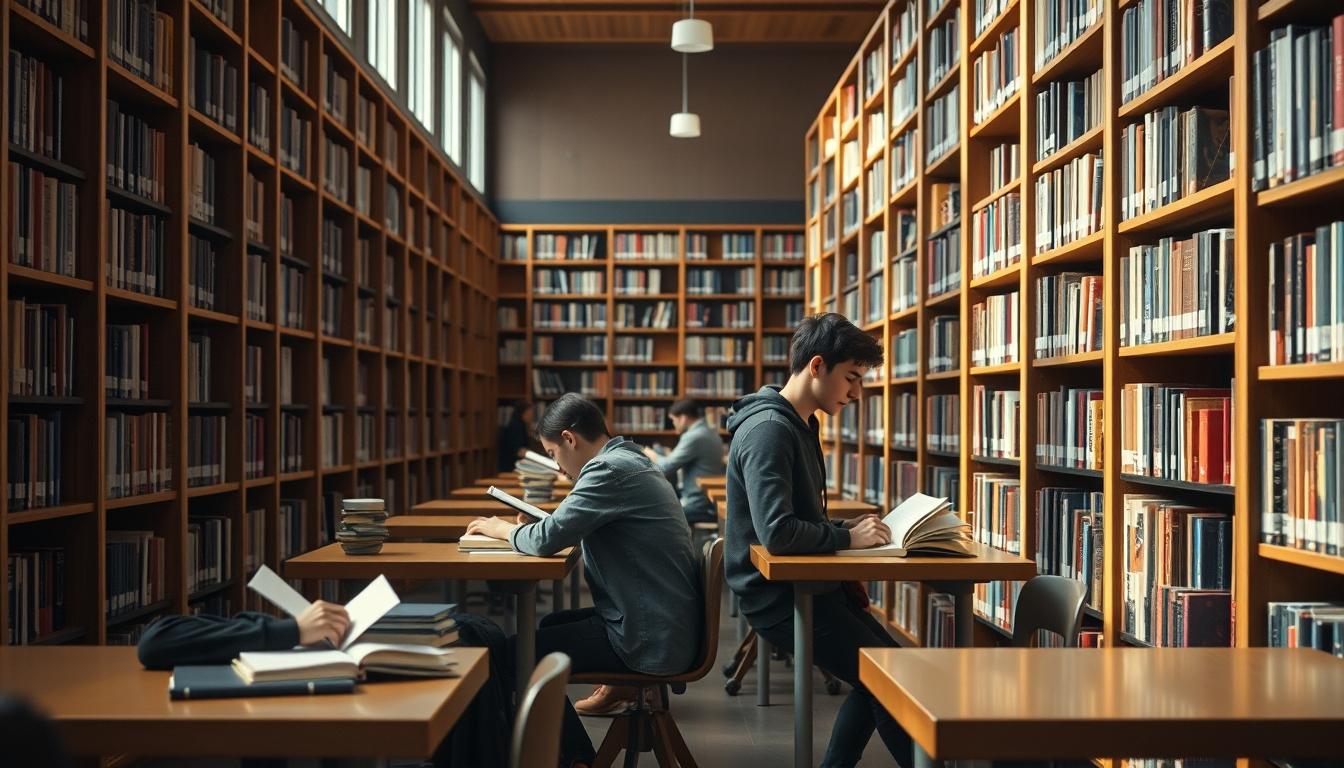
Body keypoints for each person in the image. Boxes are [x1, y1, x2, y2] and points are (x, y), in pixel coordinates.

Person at [466, 393, 702, 763]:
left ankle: (573, 758)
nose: (558, 467)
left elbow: (546, 540)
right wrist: (545, 525)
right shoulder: (628, 459)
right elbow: (563, 527)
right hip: (664, 623)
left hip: (648, 637)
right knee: (549, 625)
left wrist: (498, 529)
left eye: (553, 453)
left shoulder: (607, 470)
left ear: (569, 439)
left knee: (517, 655)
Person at [723, 312, 912, 768]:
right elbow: (779, 532)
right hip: (779, 595)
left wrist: (845, 540)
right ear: (816, 366)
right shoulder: (770, 430)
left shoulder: (798, 423)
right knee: (887, 678)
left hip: (812, 583)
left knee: (892, 669)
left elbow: (799, 520)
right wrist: (846, 540)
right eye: (851, 378)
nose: (856, 393)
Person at [641, 398, 725, 525]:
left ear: (683, 418)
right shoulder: (710, 432)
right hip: (707, 501)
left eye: (674, 420)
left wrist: (652, 455)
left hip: (698, 504)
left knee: (653, 516)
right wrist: (669, 454)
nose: (674, 424)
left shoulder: (694, 436)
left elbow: (665, 468)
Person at [497, 399, 537, 472]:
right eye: (530, 413)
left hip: (514, 464)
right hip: (511, 466)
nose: (532, 416)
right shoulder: (516, 426)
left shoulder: (519, 424)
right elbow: (519, 451)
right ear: (524, 412)